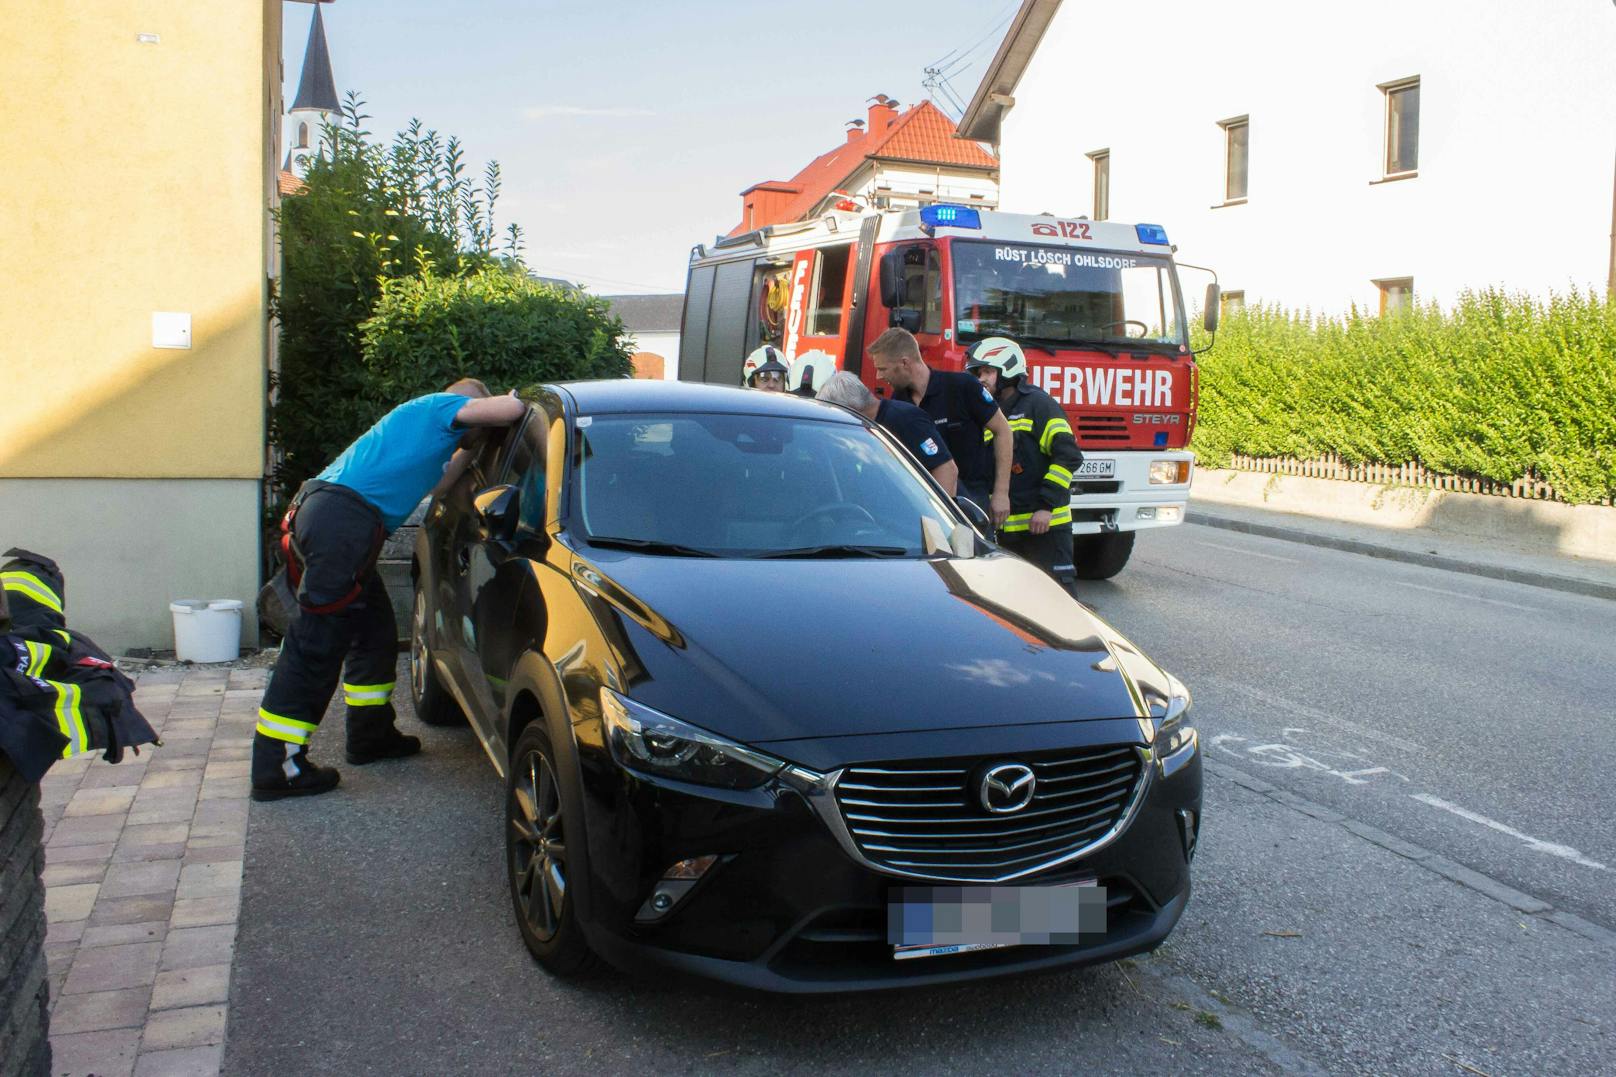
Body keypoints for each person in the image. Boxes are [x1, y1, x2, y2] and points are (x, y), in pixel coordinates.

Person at [252, 379, 526, 801]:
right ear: (468, 402)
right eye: (476, 416)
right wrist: (526, 401)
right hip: (342, 525)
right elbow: (509, 412)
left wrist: (472, 449)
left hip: (336, 522)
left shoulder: (428, 439)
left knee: (375, 630)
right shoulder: (437, 407)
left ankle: (370, 735)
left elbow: (441, 484)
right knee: (315, 645)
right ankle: (277, 767)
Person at [965, 337, 1083, 587]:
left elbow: (1068, 456)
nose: (981, 379)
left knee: (1056, 599)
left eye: (987, 371)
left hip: (1045, 528)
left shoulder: (1039, 405)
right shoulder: (991, 410)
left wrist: (1046, 507)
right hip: (1010, 530)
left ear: (1008, 370)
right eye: (978, 373)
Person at [867, 327, 1012, 526]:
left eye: (883, 369)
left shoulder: (962, 387)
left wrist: (1001, 493)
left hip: (970, 501)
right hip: (922, 503)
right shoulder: (898, 402)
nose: (878, 376)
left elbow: (1003, 431)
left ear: (904, 363)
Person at [815, 371, 959, 495]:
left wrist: (940, 522)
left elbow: (946, 469)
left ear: (851, 409)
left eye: (837, 416)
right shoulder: (869, 426)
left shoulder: (906, 419)